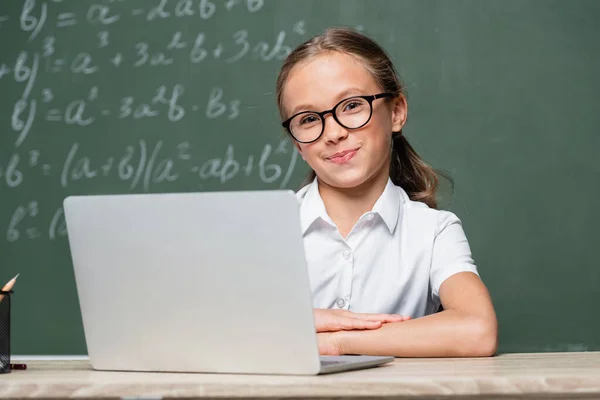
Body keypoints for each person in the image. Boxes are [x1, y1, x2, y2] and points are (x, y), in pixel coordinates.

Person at [275, 27, 498, 357]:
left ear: (396, 112)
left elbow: (477, 330)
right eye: (309, 118)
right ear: (297, 142)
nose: (333, 133)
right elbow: (205, 331)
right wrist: (301, 322)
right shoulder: (266, 228)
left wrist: (337, 340)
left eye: (351, 105)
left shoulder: (434, 232)